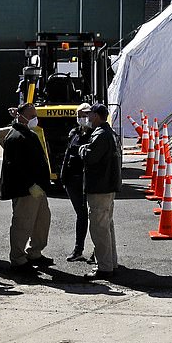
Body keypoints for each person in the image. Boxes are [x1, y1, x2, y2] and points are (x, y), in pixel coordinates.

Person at [0, 103, 54, 275]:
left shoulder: (27, 134)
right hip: (26, 189)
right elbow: (16, 167)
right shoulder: (15, 137)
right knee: (22, 223)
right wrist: (31, 185)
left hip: (37, 188)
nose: (34, 119)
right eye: (31, 116)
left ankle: (34, 252)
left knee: (42, 220)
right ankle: (18, 259)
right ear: (21, 117)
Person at [79, 103, 122, 281]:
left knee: (99, 228)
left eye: (90, 114)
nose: (87, 118)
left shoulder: (101, 135)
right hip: (107, 186)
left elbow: (91, 157)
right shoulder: (109, 133)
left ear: (97, 116)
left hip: (99, 187)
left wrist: (82, 150)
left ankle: (104, 267)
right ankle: (110, 262)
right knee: (106, 226)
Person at [62, 102, 93, 262]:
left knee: (95, 216)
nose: (82, 118)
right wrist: (63, 176)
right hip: (72, 180)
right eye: (79, 115)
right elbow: (67, 154)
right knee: (81, 215)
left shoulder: (95, 133)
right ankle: (78, 249)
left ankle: (98, 250)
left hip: (88, 181)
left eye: (85, 115)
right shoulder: (74, 133)